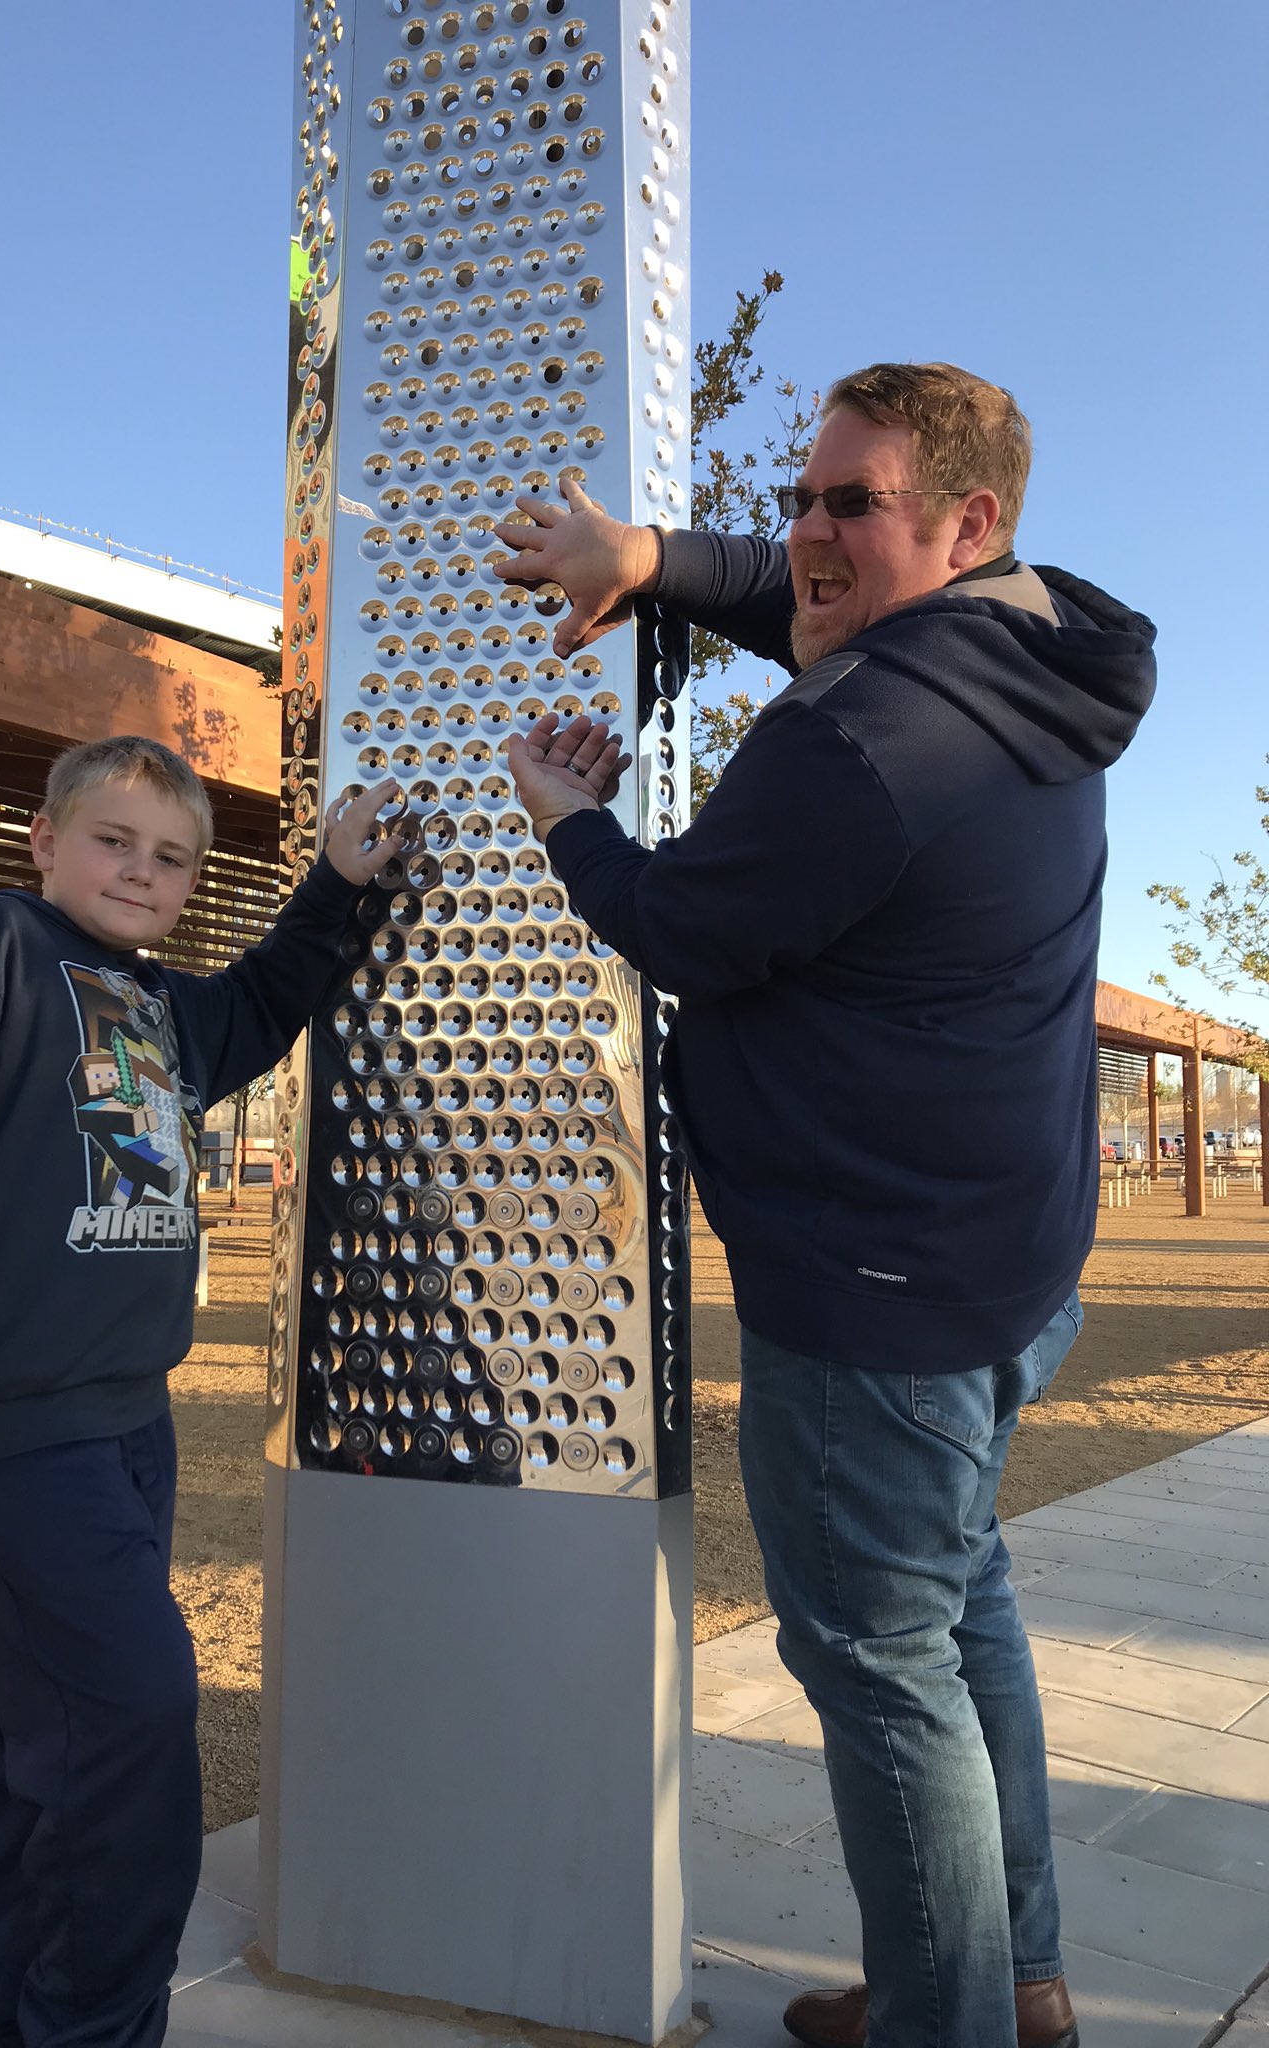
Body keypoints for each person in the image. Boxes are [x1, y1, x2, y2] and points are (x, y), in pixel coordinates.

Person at [498, 363, 1157, 2048]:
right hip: (1002, 1266)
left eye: (848, 503)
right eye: (800, 495)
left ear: (969, 522)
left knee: (880, 1665)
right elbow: (814, 599)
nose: (804, 531)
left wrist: (572, 822)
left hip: (876, 1299)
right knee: (955, 1613)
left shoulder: (862, 740)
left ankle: (948, 2019)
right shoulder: (1031, 659)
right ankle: (1006, 1977)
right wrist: (654, 557)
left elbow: (686, 924)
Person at [0, 736, 408, 2048]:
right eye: (113, 841)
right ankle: (94, 2027)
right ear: (45, 841)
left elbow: (267, 998)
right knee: (132, 1719)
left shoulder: (163, 1006)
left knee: (29, 1744)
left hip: (130, 1421)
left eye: (172, 858)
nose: (142, 871)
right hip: (17, 1424)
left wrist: (337, 889)